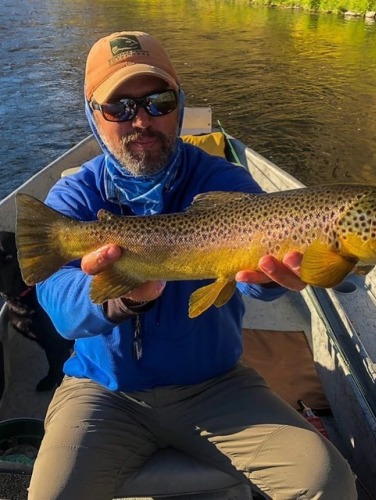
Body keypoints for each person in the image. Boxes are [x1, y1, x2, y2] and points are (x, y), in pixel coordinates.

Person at [28, 31, 357, 499]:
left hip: (216, 386)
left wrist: (269, 283)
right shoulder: (75, 197)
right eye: (119, 107)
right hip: (104, 392)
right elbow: (58, 309)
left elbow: (253, 283)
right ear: (93, 116)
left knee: (328, 480)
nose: (141, 120)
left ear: (180, 106)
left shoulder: (223, 179)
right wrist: (119, 297)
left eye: (158, 102)